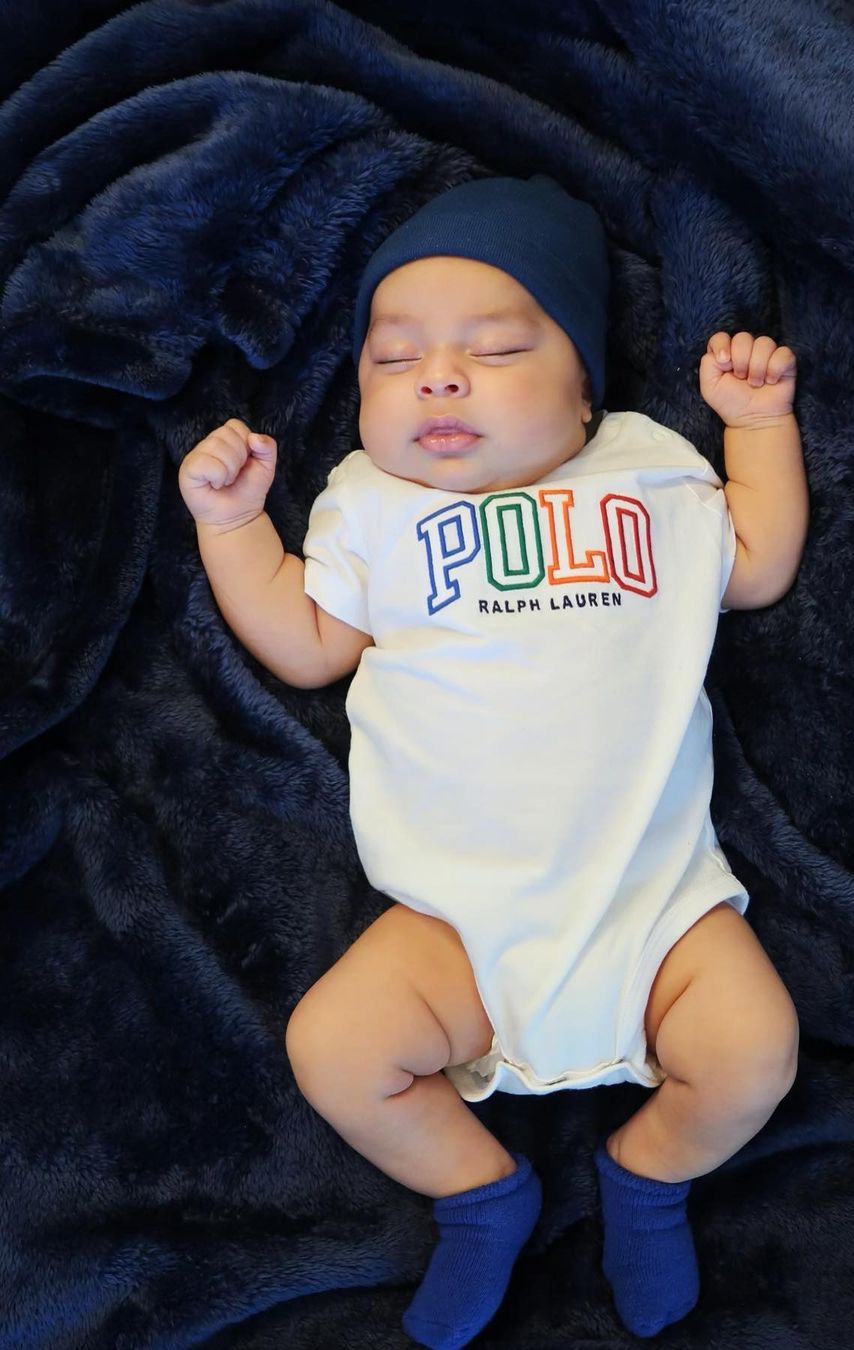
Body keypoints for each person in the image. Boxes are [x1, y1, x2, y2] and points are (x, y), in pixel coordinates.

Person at [178, 174, 808, 1350]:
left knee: (753, 1053)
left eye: (497, 349)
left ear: (584, 393)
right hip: (456, 923)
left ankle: (649, 1174)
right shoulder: (372, 506)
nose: (439, 378)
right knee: (335, 1049)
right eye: (394, 359)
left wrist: (757, 428)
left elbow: (758, 560)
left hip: (654, 906)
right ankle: (478, 1194)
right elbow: (307, 643)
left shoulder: (645, 471)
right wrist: (232, 527)